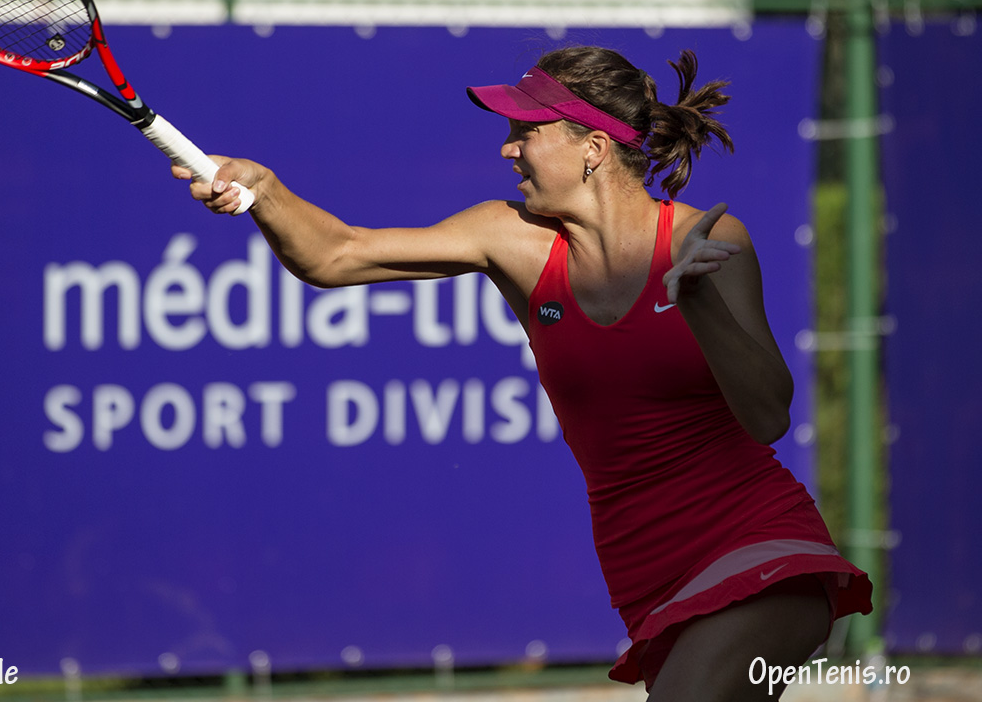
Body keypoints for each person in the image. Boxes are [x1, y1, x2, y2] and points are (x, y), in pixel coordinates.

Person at [173, 45, 873, 700]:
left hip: (760, 546)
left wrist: (697, 305)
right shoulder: (508, 238)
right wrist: (264, 190)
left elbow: (768, 415)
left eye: (527, 131)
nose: (508, 148)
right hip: (644, 571)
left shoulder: (711, 239)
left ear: (593, 149)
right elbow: (336, 257)